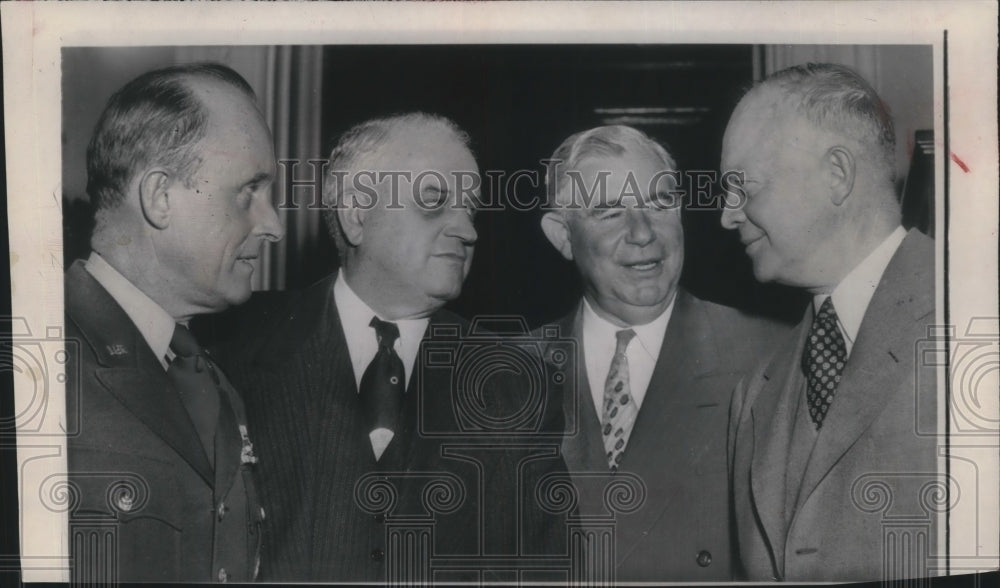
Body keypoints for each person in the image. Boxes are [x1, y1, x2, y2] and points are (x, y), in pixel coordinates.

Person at [214, 112, 565, 582]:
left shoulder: (515, 386)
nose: (467, 230)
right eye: (435, 202)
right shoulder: (227, 350)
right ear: (357, 215)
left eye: (471, 208)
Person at [64, 63, 284, 582]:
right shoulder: (39, 361)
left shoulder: (215, 383)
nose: (272, 225)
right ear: (161, 197)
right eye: (248, 191)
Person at [538, 125, 786, 581]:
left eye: (659, 203)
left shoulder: (772, 356)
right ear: (563, 236)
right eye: (610, 212)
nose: (642, 233)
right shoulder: (507, 374)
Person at [721, 63, 938, 582]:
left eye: (742, 187)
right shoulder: (754, 394)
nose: (726, 216)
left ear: (837, 175)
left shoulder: (974, 319)